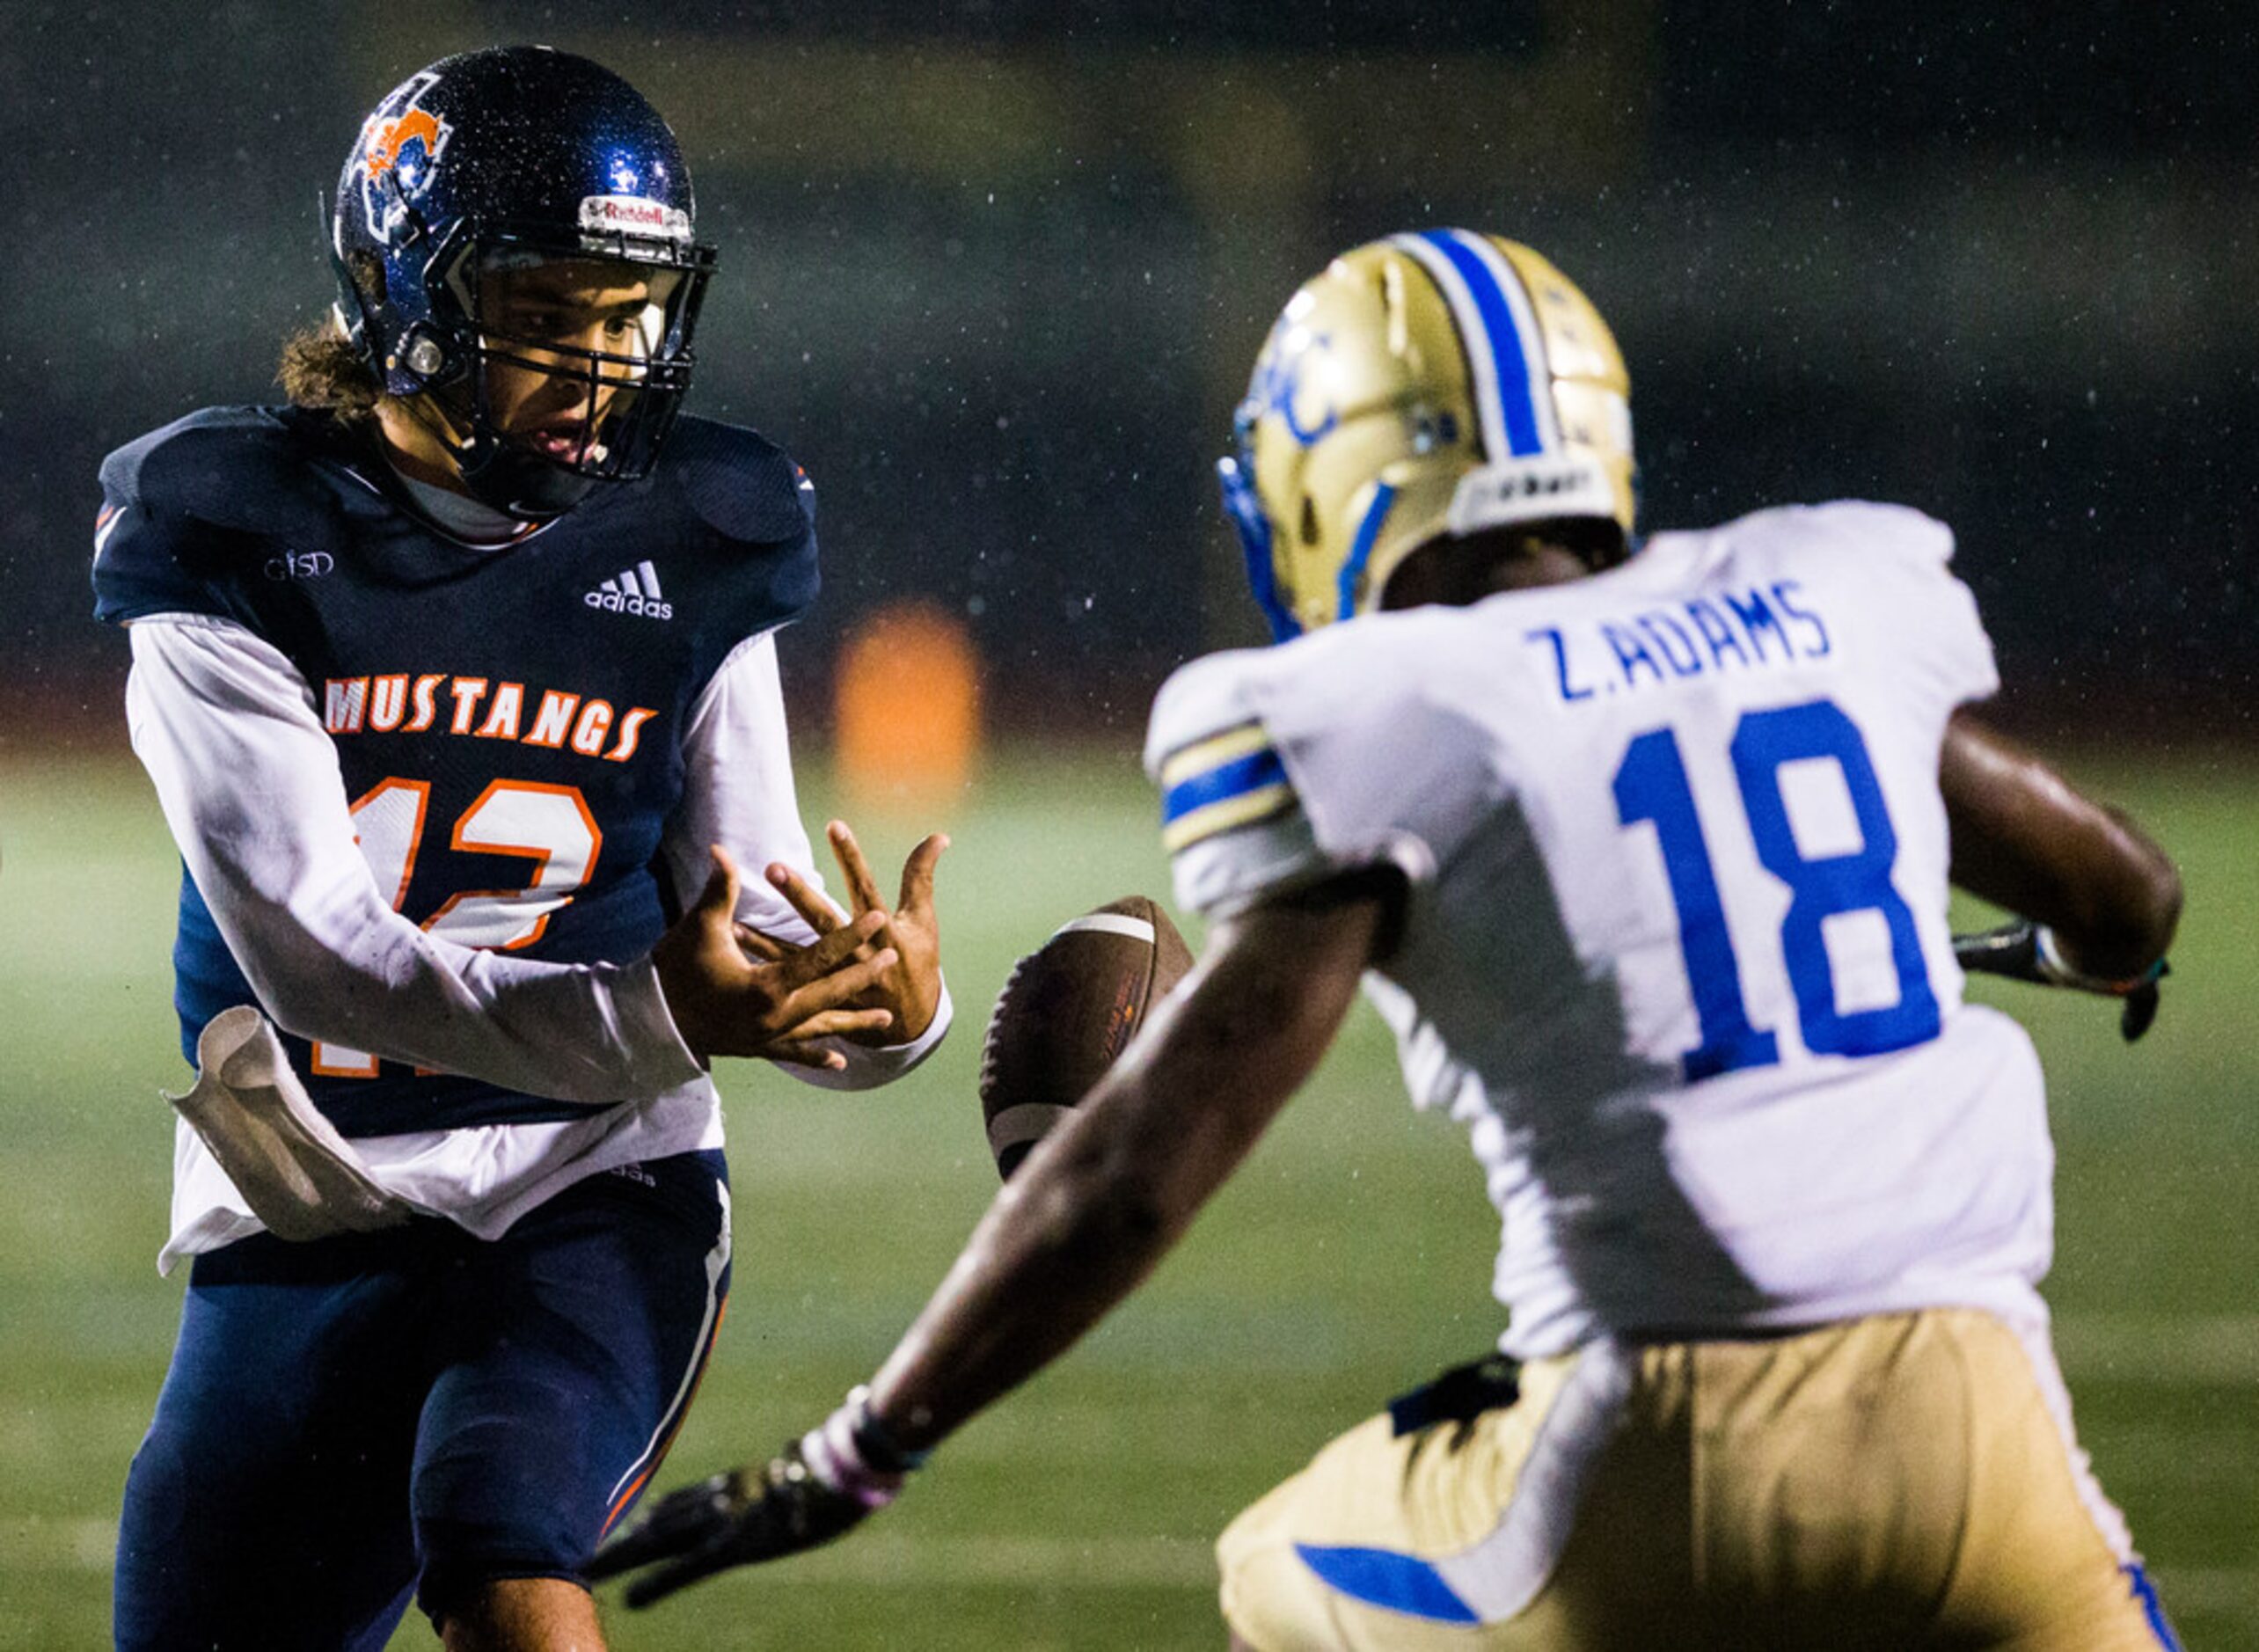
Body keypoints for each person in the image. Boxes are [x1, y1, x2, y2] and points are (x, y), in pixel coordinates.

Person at [591, 230, 2187, 1650]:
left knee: (1281, 1572)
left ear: (1331, 475)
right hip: (1994, 1437)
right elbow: (2130, 898)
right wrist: (2083, 956)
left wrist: (856, 1448)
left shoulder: (1397, 708)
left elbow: (1142, 1166)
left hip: (1661, 1445)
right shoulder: (1816, 592)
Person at [91, 45, 952, 1652]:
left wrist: (884, 1010)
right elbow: (323, 961)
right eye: (551, 307)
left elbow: (754, 935)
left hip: (594, 1178)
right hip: (314, 1197)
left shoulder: (698, 529)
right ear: (409, 291)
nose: (603, 359)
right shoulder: (226, 535)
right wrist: (665, 1014)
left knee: (498, 1537)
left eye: (628, 314)